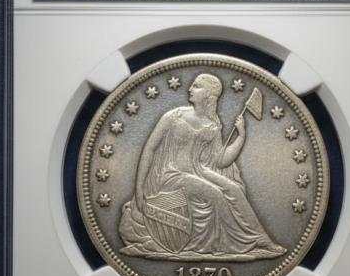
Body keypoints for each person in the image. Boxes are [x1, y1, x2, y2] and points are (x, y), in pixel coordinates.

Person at [118, 74, 286, 259]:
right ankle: (229, 245)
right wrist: (139, 188)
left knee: (234, 189)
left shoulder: (212, 124)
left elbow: (221, 161)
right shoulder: (174, 116)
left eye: (196, 86)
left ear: (208, 95)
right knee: (215, 194)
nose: (190, 89)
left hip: (199, 171)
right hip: (170, 175)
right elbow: (149, 149)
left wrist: (241, 136)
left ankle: (260, 239)